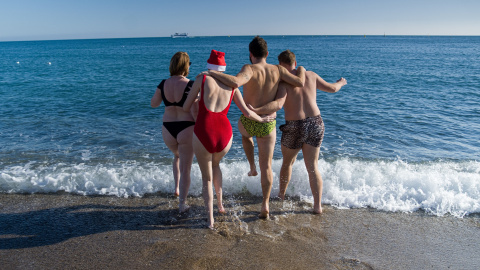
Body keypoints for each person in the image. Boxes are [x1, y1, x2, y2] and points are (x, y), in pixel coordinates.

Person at [208, 36, 305, 218]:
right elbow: (300, 82)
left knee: (244, 134)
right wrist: (301, 69)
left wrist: (212, 73)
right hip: (268, 124)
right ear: (267, 54)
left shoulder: (249, 68)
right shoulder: (278, 70)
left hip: (249, 121)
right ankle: (265, 204)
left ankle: (252, 166)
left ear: (251, 54)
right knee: (267, 166)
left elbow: (235, 82)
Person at [249, 50, 347, 214]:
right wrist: (342, 82)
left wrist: (256, 110)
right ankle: (317, 207)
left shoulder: (283, 82)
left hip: (294, 126)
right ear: (295, 62)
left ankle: (281, 196)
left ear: (281, 65)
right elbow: (332, 89)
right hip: (316, 123)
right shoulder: (311, 75)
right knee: (313, 166)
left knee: (288, 163)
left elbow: (279, 104)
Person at [184, 50, 272, 229]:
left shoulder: (202, 78)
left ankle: (210, 219)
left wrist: (199, 99)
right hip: (225, 134)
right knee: (216, 165)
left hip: (204, 130)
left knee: (206, 179)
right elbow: (247, 112)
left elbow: (186, 107)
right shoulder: (233, 86)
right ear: (223, 69)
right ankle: (221, 206)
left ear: (209, 67)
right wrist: (262, 119)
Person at [150, 51, 195, 213]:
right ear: (186, 66)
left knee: (176, 156)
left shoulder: (163, 83)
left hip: (168, 129)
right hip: (186, 128)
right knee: (186, 168)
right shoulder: (191, 84)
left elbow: (154, 104)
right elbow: (196, 110)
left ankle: (176, 188)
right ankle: (182, 204)